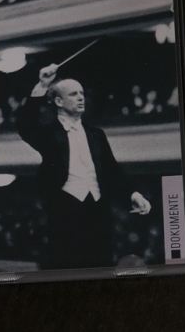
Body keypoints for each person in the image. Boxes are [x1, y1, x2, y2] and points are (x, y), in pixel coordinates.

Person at [17, 63, 151, 269]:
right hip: (64, 211)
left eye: (82, 93)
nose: (81, 97)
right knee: (67, 269)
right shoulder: (48, 134)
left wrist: (133, 194)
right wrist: (42, 85)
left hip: (99, 211)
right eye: (73, 94)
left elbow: (112, 170)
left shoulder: (97, 134)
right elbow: (25, 126)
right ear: (59, 101)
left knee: (100, 268)